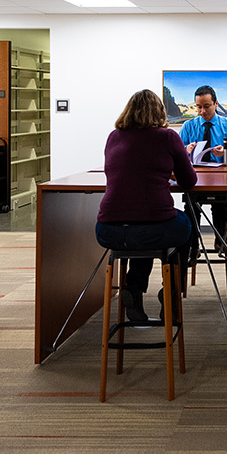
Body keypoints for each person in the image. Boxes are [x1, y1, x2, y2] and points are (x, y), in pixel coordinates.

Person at [96, 89, 197, 324]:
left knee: (142, 232)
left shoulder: (114, 136)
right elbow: (189, 181)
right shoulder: (167, 136)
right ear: (159, 112)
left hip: (107, 230)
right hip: (152, 226)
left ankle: (133, 287)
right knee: (183, 226)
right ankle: (172, 291)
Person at [178, 85, 227, 254]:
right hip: (194, 177)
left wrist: (226, 153)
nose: (202, 111)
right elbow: (176, 155)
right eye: (198, 106)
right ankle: (192, 248)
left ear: (215, 104)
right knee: (191, 206)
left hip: (219, 177)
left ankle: (221, 243)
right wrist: (185, 152)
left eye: (207, 106)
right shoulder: (188, 126)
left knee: (220, 205)